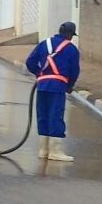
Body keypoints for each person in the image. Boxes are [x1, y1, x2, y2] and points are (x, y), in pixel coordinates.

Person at [25, 21, 80, 162]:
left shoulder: (44, 43)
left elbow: (30, 62)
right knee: (55, 116)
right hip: (57, 87)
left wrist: (40, 74)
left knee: (43, 115)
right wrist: (70, 85)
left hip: (42, 85)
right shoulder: (72, 49)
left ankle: (43, 150)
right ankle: (55, 151)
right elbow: (74, 71)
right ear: (69, 35)